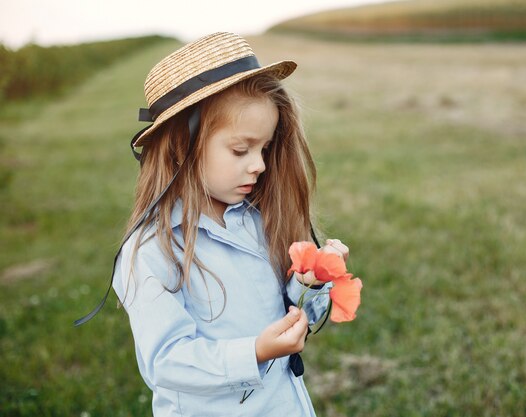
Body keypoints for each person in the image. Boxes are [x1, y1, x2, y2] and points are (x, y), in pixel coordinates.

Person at [110, 32, 349, 416]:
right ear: (181, 147)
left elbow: (289, 315)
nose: (259, 164)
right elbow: (166, 361)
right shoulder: (152, 251)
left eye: (265, 148)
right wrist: (254, 352)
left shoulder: (255, 219)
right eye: (241, 149)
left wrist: (310, 281)